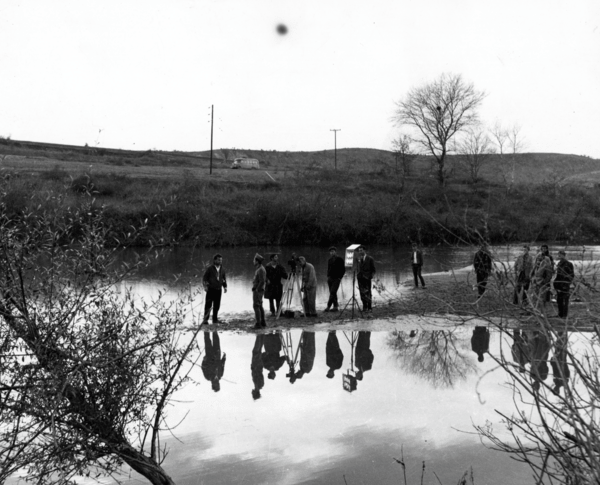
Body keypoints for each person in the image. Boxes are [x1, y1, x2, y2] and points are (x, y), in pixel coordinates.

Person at [202, 253, 228, 325]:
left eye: (221, 260)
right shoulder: (210, 269)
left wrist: (225, 287)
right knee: (208, 305)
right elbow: (204, 278)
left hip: (218, 290)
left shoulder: (222, 269)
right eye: (219, 260)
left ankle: (215, 319)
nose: (220, 262)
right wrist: (205, 287)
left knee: (217, 305)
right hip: (210, 290)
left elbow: (223, 279)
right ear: (215, 260)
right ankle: (205, 320)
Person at [324, 246, 346, 312]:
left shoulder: (340, 259)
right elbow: (328, 269)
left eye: (333, 251)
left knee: (333, 292)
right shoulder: (329, 260)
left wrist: (340, 277)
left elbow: (343, 269)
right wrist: (328, 276)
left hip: (337, 278)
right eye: (330, 252)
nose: (332, 253)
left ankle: (328, 306)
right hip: (330, 278)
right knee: (332, 293)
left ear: (335, 252)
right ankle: (335, 307)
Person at [554, 250, 575, 318]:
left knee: (565, 300)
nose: (559, 256)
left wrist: (567, 283)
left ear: (564, 255)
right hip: (559, 284)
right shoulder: (559, 264)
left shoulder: (569, 264)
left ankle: (564, 315)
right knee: (559, 300)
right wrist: (556, 283)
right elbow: (558, 275)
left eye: (561, 255)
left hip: (565, 284)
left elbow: (571, 275)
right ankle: (560, 314)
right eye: (559, 255)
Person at [356, 246, 376, 312]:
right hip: (360, 278)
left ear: (364, 251)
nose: (360, 252)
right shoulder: (358, 259)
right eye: (359, 251)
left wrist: (370, 277)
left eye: (361, 250)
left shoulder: (370, 259)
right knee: (361, 292)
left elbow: (373, 270)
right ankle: (364, 306)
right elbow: (356, 268)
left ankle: (369, 307)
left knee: (368, 292)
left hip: (367, 278)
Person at [252, 253, 267, 329]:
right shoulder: (259, 268)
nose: (253, 261)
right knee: (259, 305)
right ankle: (262, 322)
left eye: (254, 260)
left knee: (256, 306)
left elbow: (262, 281)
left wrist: (257, 289)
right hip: (258, 289)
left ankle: (258, 323)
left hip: (259, 290)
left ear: (257, 261)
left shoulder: (261, 269)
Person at [251, 334, 264, 400]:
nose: (251, 393)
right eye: (253, 394)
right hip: (256, 365)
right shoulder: (257, 385)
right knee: (256, 351)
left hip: (258, 366)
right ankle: (259, 335)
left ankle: (261, 335)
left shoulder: (261, 385)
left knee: (258, 351)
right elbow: (256, 374)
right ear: (255, 392)